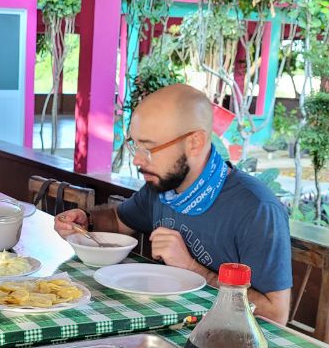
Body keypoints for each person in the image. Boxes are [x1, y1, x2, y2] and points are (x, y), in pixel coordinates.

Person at [55, 84, 292, 323]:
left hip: (225, 341)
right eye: (135, 146)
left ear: (195, 143)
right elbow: (119, 220)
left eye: (149, 148)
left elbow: (275, 314)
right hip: (165, 321)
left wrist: (192, 268)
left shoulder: (256, 209)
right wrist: (87, 220)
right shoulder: (162, 188)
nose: (137, 159)